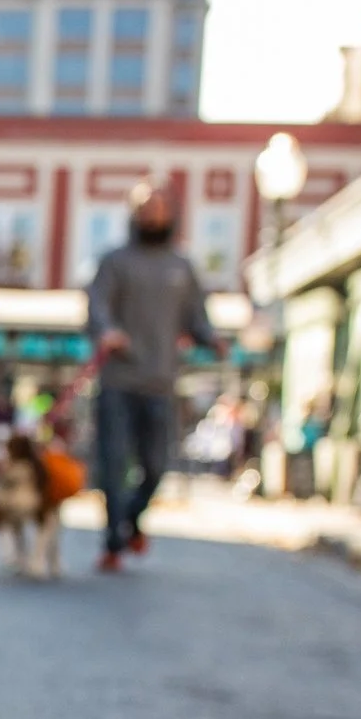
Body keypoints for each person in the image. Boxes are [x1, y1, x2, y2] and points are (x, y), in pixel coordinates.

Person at [85, 185, 221, 572]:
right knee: (113, 464)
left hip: (161, 380)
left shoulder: (182, 266)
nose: (153, 214)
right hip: (118, 379)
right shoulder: (115, 261)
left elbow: (197, 317)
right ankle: (113, 541)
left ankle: (130, 520)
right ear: (135, 214)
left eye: (160, 208)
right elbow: (97, 305)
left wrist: (211, 339)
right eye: (146, 208)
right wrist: (107, 330)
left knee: (157, 465)